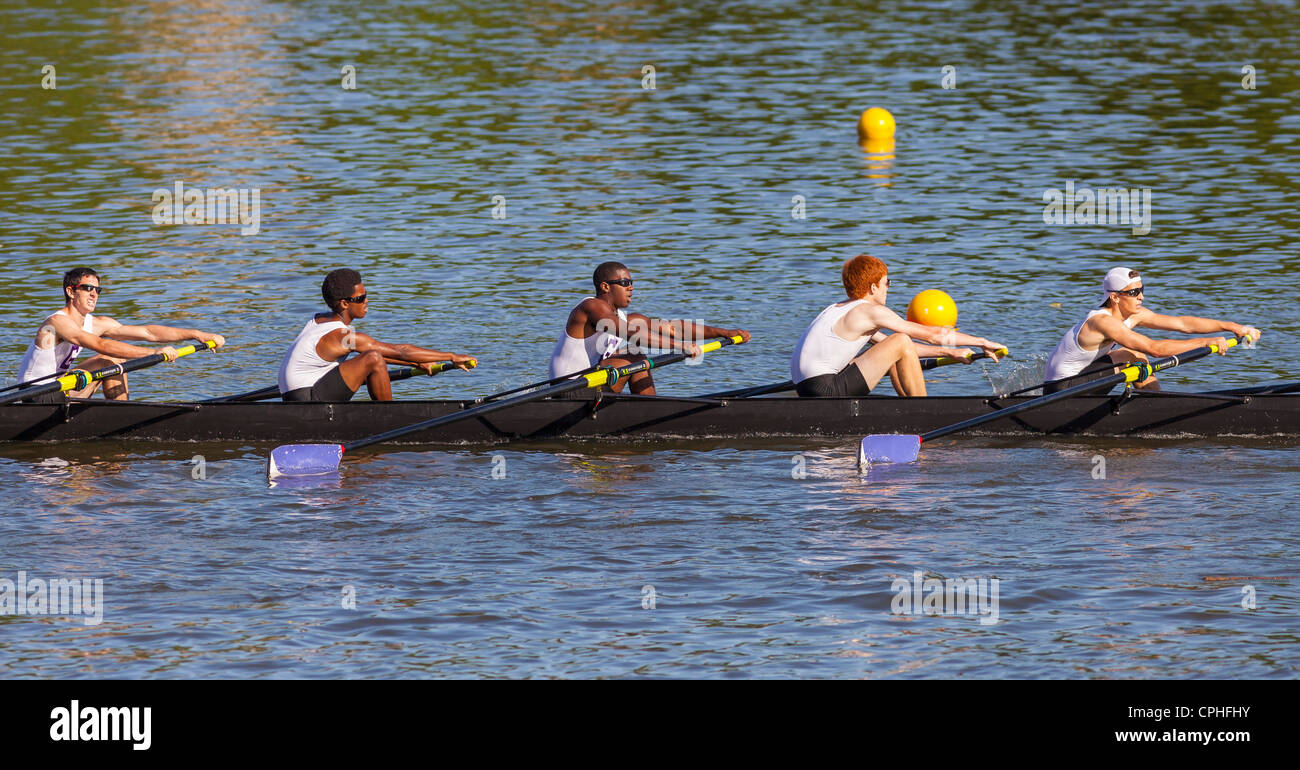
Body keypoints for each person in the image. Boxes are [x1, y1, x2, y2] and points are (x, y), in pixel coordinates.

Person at [790, 254, 1004, 397]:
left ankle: (907, 406)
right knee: (900, 339)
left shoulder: (838, 309)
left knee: (893, 347)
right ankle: (924, 412)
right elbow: (930, 335)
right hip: (825, 391)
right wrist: (980, 341)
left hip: (808, 389)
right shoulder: (869, 311)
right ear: (873, 287)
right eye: (887, 282)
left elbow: (907, 350)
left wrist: (950, 353)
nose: (888, 288)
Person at [15, 267, 226, 403]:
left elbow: (148, 332)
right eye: (88, 288)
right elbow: (101, 345)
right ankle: (120, 417)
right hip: (36, 395)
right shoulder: (56, 323)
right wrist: (153, 353)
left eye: (97, 290)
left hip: (61, 387)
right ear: (71, 292)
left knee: (114, 360)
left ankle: (119, 412)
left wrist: (196, 333)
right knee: (108, 357)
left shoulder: (97, 323)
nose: (94, 294)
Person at [1042, 267, 1260, 393]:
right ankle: (1154, 406)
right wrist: (1206, 342)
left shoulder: (1134, 314)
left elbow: (1183, 324)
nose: (1141, 297)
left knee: (1135, 355)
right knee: (1134, 355)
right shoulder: (1102, 322)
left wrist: (1233, 327)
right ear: (1115, 297)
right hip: (1061, 391)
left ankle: (1154, 402)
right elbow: (1155, 348)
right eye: (1135, 292)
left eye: (1142, 290)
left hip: (1082, 380)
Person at [548, 262, 751, 394]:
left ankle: (646, 409)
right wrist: (680, 346)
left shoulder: (625, 317)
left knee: (632, 353)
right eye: (625, 282)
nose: (631, 288)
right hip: (567, 391)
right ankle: (648, 412)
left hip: (590, 386)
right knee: (633, 353)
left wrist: (725, 332)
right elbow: (634, 335)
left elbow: (673, 328)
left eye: (632, 282)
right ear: (605, 287)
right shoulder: (591, 307)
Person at [278, 268, 476, 402]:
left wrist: (417, 363)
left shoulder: (320, 320)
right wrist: (451, 356)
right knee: (373, 358)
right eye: (360, 298)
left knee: (372, 356)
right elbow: (400, 351)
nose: (366, 300)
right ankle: (387, 419)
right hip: (308, 400)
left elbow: (390, 355)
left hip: (299, 394)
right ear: (345, 304)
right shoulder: (341, 335)